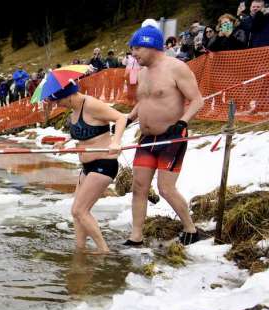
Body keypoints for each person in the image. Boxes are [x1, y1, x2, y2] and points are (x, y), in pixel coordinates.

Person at [125, 26, 204, 247]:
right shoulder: (142, 73)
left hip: (171, 137)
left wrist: (182, 123)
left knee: (165, 189)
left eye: (137, 48)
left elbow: (198, 100)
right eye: (132, 49)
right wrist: (129, 118)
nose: (134, 54)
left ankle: (190, 228)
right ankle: (136, 236)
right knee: (139, 187)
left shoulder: (176, 68)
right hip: (147, 138)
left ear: (151, 45)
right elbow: (145, 101)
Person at [46, 79, 127, 254]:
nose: (57, 105)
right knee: (76, 213)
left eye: (58, 100)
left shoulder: (91, 105)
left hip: (104, 163)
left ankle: (104, 251)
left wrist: (116, 142)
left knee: (80, 210)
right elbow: (84, 136)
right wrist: (64, 144)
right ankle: (80, 249)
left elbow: (121, 118)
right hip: (87, 166)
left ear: (68, 96)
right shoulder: (73, 111)